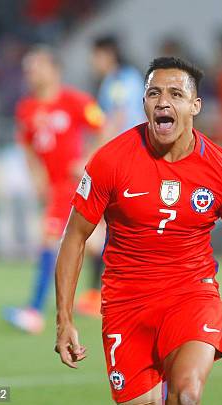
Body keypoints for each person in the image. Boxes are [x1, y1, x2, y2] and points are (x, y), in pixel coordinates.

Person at [54, 56, 222, 405]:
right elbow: (74, 236)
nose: (163, 102)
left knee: (186, 396)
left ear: (195, 105)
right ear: (144, 104)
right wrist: (64, 320)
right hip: (126, 303)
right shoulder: (111, 161)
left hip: (191, 295)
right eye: (153, 93)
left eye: (175, 94)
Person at [3, 46, 105, 334]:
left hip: (72, 184)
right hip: (54, 185)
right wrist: (36, 176)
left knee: (49, 240)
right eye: (28, 67)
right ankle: (109, 298)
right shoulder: (26, 108)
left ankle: (34, 310)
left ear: (54, 69)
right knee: (96, 242)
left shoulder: (75, 101)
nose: (30, 72)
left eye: (36, 65)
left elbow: (103, 129)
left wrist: (87, 159)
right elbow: (26, 145)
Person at [73, 34, 146, 317]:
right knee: (109, 227)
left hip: (125, 159)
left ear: (107, 54)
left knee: (103, 226)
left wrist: (93, 156)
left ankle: (102, 293)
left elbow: (115, 119)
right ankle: (102, 292)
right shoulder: (123, 79)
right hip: (126, 157)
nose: (94, 62)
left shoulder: (120, 81)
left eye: (96, 55)